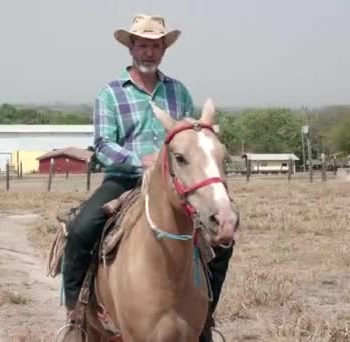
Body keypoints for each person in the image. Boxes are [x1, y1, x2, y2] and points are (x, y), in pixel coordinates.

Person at [61, 14, 234, 341]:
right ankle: (75, 313)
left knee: (222, 236)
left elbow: (188, 138)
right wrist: (139, 161)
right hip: (124, 179)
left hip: (172, 183)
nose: (149, 52)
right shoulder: (111, 94)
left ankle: (205, 318)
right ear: (131, 48)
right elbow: (102, 144)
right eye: (142, 44)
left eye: (155, 46)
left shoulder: (177, 91)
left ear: (163, 50)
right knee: (82, 228)